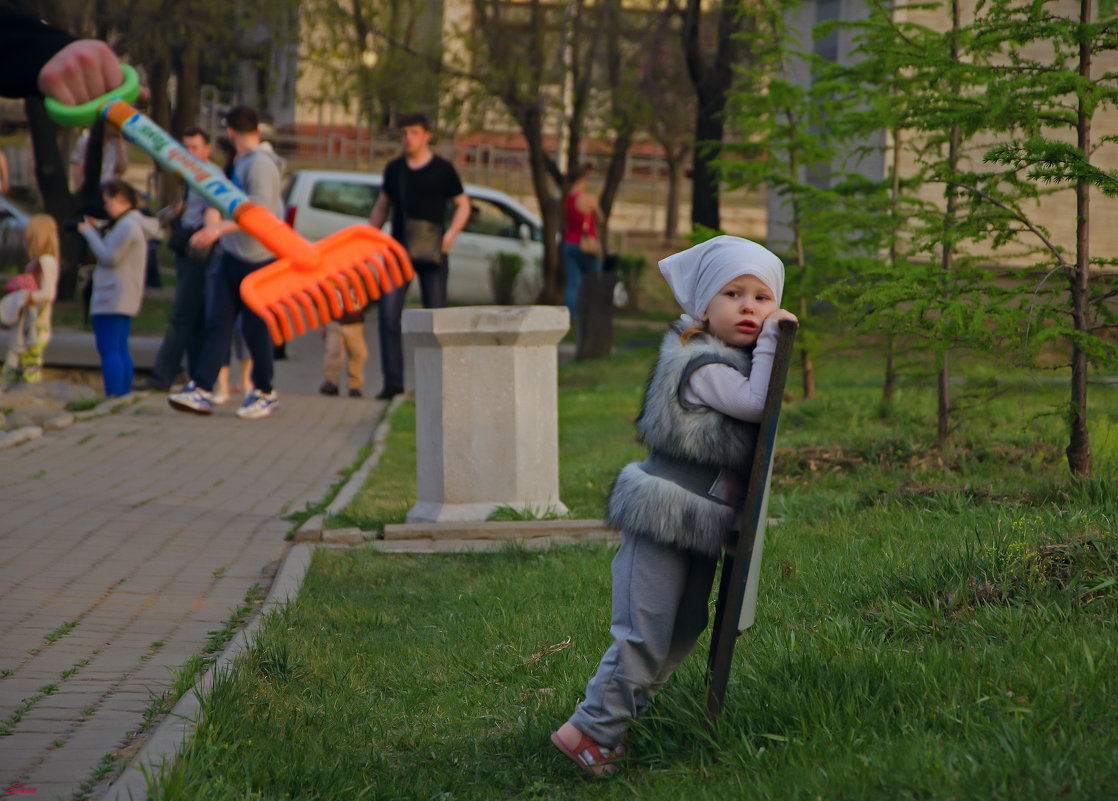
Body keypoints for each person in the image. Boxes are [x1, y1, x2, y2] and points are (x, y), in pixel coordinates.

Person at [550, 235, 799, 778]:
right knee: (645, 630)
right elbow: (758, 404)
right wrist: (778, 336)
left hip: (700, 524)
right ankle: (591, 729)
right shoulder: (701, 361)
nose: (751, 308)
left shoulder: (729, 359)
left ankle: (623, 725)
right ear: (703, 308)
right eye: (734, 294)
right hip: (663, 517)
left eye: (763, 298)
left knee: (684, 627)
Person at [168, 105, 283, 419]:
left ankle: (265, 391)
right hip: (235, 254)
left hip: (257, 258)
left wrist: (219, 228)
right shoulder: (244, 161)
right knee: (218, 321)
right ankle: (203, 388)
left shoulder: (260, 164)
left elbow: (262, 213)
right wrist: (215, 226)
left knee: (256, 328)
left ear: (230, 133)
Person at [368, 112, 471, 400]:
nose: (407, 138)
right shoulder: (394, 169)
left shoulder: (442, 169)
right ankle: (393, 383)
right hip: (397, 252)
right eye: (403, 133)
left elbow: (463, 205)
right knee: (388, 316)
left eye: (413, 132)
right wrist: (369, 239)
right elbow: (381, 207)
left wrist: (450, 236)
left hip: (432, 253)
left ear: (427, 136)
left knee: (436, 317)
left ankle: (439, 382)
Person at [142, 127, 215, 391]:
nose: (189, 153)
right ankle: (196, 379)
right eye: (185, 147)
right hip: (186, 248)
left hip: (199, 250)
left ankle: (162, 376)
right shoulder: (189, 176)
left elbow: (211, 216)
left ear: (208, 150)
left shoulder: (208, 176)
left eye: (195, 147)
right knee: (194, 318)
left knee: (182, 315)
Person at [77, 179, 158, 397]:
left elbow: (109, 257)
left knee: (109, 349)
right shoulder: (132, 224)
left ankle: (114, 395)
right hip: (122, 294)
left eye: (107, 201)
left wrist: (88, 233)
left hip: (112, 296)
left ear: (120, 199)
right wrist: (100, 228)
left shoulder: (127, 226)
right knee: (120, 348)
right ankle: (122, 394)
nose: (105, 207)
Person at [2, 215, 60, 384]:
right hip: (29, 323)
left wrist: (25, 298)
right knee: (21, 361)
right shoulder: (40, 261)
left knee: (29, 364)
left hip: (36, 324)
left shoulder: (45, 261)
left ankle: (27, 394)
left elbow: (48, 293)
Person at [562, 164, 604, 324]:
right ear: (582, 180)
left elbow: (567, 222)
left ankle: (571, 318)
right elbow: (600, 219)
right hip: (588, 245)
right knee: (593, 282)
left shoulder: (567, 199)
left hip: (570, 244)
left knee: (573, 284)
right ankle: (591, 316)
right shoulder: (589, 199)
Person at [319, 305, 368, 398]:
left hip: (356, 323)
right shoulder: (332, 289)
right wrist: (322, 323)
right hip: (334, 322)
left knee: (358, 354)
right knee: (334, 352)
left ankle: (355, 385)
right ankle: (331, 381)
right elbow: (322, 302)